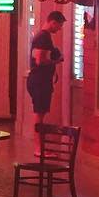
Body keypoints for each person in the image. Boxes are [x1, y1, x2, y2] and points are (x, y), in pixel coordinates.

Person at [27, 11, 66, 145]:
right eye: (59, 25)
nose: (59, 29)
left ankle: (39, 147)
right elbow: (39, 60)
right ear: (53, 22)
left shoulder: (40, 36)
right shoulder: (44, 37)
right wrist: (57, 61)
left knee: (40, 113)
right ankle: (39, 148)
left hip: (38, 80)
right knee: (39, 114)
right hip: (40, 81)